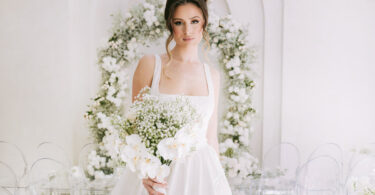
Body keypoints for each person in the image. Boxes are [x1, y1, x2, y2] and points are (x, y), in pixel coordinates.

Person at [111, 0, 232, 194]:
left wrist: (218, 182)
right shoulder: (151, 64)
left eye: (194, 21)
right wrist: (144, 173)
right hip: (157, 174)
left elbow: (211, 137)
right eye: (179, 22)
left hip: (200, 176)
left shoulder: (213, 76)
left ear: (204, 23)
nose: (187, 30)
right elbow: (133, 128)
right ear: (170, 25)